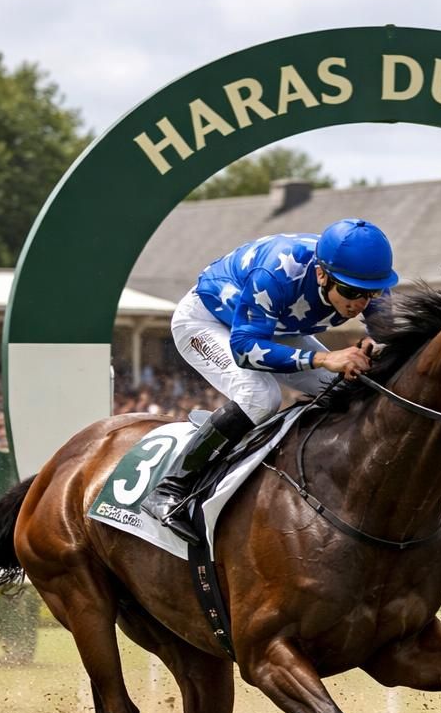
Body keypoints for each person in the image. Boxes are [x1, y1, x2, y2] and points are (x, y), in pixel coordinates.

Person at [141, 218, 399, 543]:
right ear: (322, 274)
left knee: (350, 389)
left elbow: (388, 339)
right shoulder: (276, 272)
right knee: (260, 396)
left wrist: (375, 348)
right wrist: (324, 358)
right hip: (209, 322)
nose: (361, 303)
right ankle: (171, 486)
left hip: (277, 329)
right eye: (350, 292)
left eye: (371, 293)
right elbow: (245, 350)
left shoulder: (367, 278)